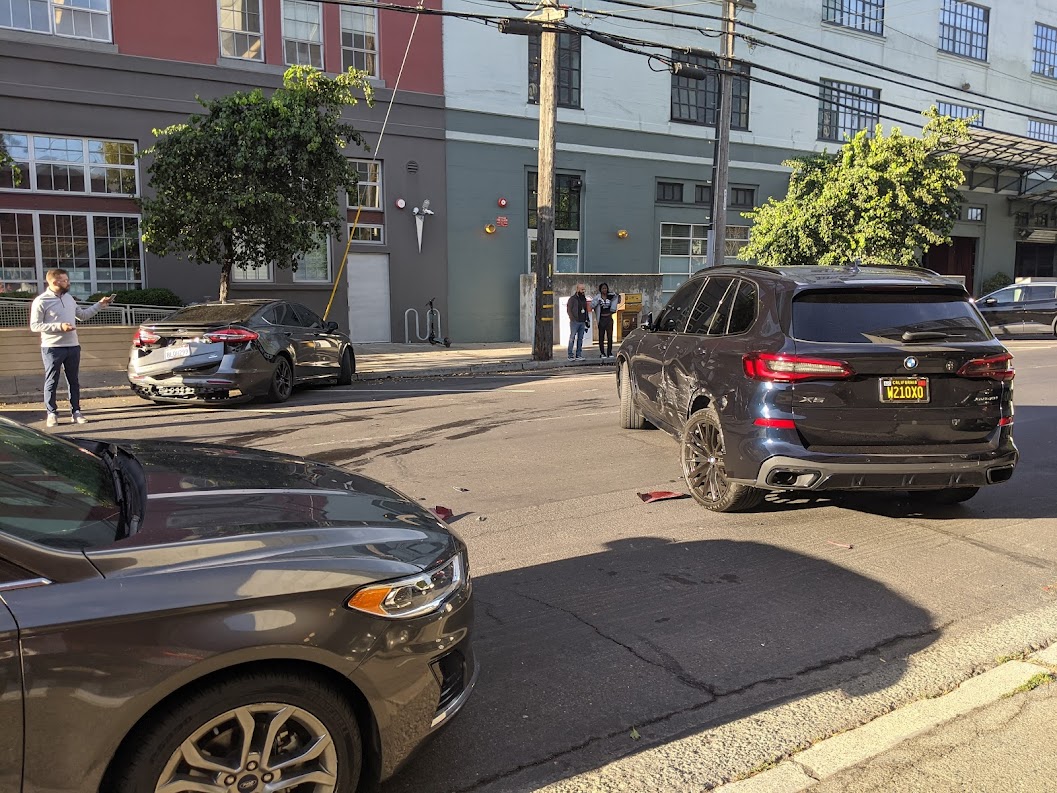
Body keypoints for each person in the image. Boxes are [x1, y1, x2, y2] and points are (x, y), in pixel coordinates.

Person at [30, 269, 115, 427]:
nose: (68, 283)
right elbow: (35, 325)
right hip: (52, 347)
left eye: (67, 280)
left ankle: (76, 411)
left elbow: (81, 316)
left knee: (74, 381)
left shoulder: (69, 298)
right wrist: (59, 326)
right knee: (51, 381)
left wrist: (99, 305)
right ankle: (51, 413)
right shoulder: (41, 301)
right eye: (65, 280)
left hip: (73, 346)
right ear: (54, 282)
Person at [592, 282, 618, 359]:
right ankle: (602, 352)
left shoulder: (610, 296)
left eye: (606, 288)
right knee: (601, 336)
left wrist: (615, 295)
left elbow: (618, 300)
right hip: (601, 319)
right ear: (600, 289)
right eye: (603, 288)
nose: (604, 290)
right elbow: (592, 305)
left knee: (610, 336)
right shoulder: (597, 297)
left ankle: (609, 352)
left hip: (609, 318)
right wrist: (597, 301)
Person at [566, 283, 590, 360]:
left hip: (582, 321)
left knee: (580, 338)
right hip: (575, 322)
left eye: (584, 289)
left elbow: (586, 310)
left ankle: (578, 354)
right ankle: (570, 355)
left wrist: (587, 319)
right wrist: (572, 318)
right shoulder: (572, 299)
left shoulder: (584, 299)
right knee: (572, 338)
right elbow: (569, 310)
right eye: (581, 289)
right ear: (577, 289)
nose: (583, 291)